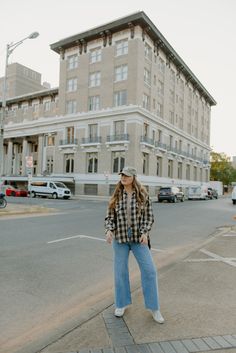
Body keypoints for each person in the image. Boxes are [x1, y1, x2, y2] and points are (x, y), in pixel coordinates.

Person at [104, 166, 164, 323]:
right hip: (120, 239)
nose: (123, 177)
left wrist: (145, 232)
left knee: (150, 271)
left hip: (139, 240)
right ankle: (121, 304)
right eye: (122, 175)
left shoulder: (143, 195)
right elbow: (110, 217)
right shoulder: (116, 194)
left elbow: (148, 216)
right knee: (120, 272)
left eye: (126, 175)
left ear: (133, 178)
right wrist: (109, 230)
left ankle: (154, 308)